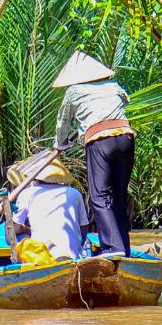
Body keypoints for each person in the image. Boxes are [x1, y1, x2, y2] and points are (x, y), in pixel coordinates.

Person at [52, 50, 135, 257]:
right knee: (118, 196)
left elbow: (63, 122)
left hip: (100, 141)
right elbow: (125, 101)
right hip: (126, 137)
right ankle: (123, 248)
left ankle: (112, 249)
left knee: (100, 198)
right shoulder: (113, 86)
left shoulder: (73, 91)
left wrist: (60, 144)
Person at [8, 157, 87, 261]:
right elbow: (83, 229)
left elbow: (11, 233)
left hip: (43, 258)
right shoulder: (74, 193)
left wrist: (9, 214)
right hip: (74, 256)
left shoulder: (28, 194)